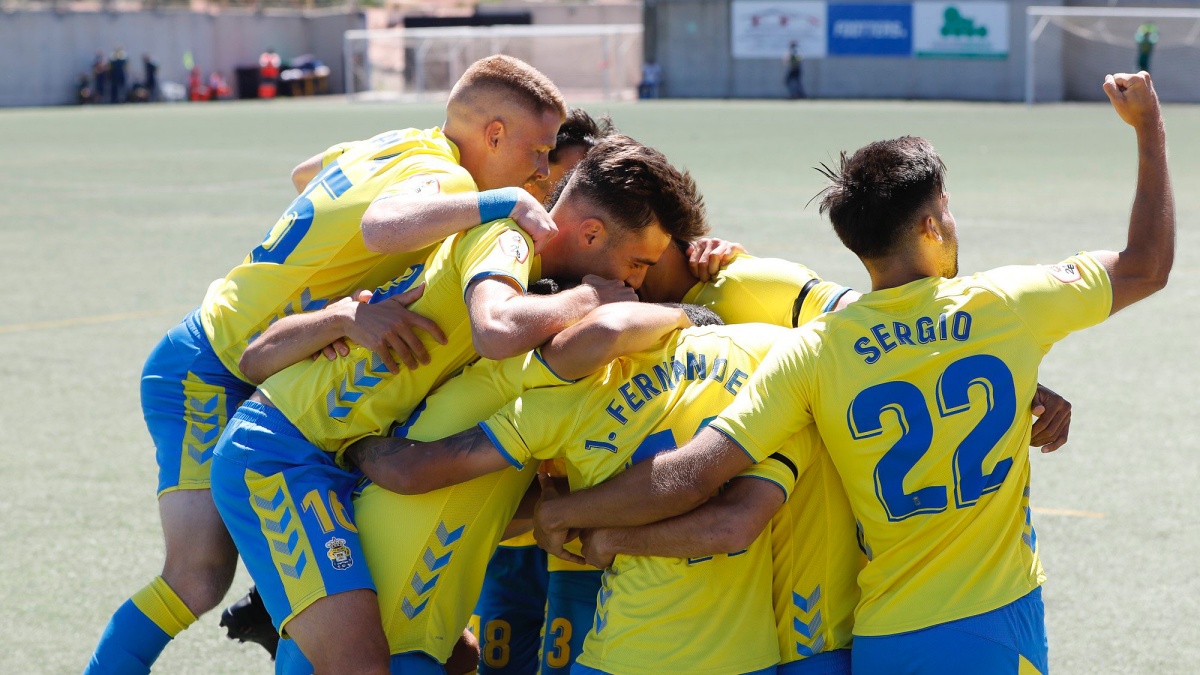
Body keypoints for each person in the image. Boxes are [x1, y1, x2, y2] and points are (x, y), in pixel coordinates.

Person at [532, 72, 1173, 674]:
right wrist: (1149, 129)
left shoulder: (814, 350)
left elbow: (694, 471)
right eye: (947, 210)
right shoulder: (1002, 307)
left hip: (881, 634)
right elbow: (1146, 265)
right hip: (991, 620)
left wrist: (574, 516)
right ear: (931, 224)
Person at [84, 55, 567, 675]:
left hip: (266, 368)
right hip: (212, 368)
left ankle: (280, 610)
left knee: (396, 634)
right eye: (538, 150)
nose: (541, 170)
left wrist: (334, 289)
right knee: (197, 578)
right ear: (494, 134)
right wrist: (494, 202)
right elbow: (381, 223)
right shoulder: (450, 183)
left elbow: (305, 173)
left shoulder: (399, 143)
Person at [210, 134, 707, 674]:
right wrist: (600, 298)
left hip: (328, 463)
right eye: (638, 264)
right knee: (361, 663)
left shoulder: (535, 293)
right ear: (590, 232)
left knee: (457, 657)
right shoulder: (506, 239)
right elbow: (495, 330)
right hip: (282, 452)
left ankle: (289, 611)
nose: (636, 285)